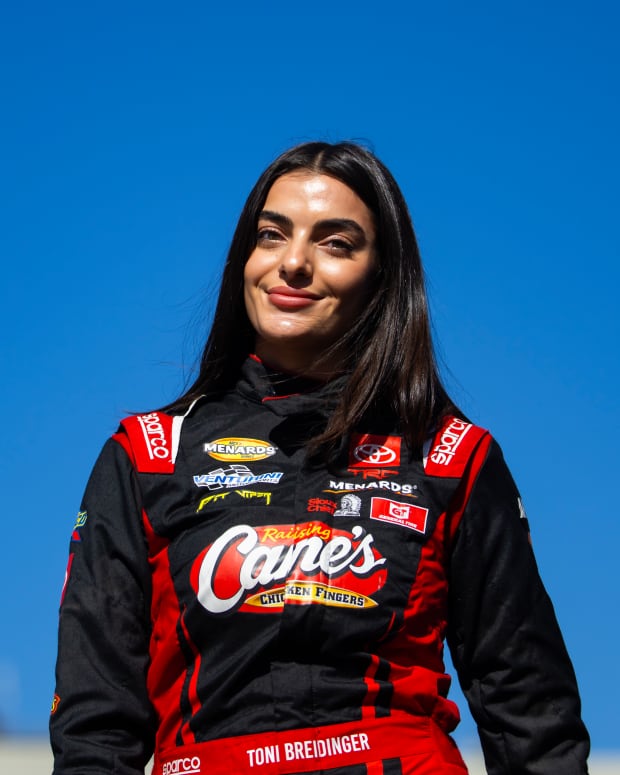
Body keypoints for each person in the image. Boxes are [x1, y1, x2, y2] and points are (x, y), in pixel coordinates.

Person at [50, 141, 590, 775]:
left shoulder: (450, 455)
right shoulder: (148, 454)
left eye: (336, 243)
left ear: (383, 279)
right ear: (243, 260)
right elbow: (94, 728)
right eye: (272, 236)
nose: (295, 263)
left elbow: (529, 710)